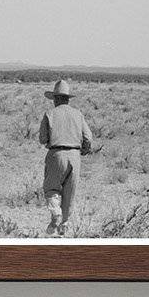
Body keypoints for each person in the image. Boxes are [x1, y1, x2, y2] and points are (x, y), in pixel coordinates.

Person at [38, 79, 94, 236]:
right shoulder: (78, 114)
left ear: (56, 98)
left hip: (56, 154)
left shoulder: (49, 114)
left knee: (51, 188)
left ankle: (56, 212)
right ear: (68, 99)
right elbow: (88, 137)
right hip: (75, 156)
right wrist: (84, 149)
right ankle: (64, 226)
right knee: (70, 193)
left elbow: (42, 139)